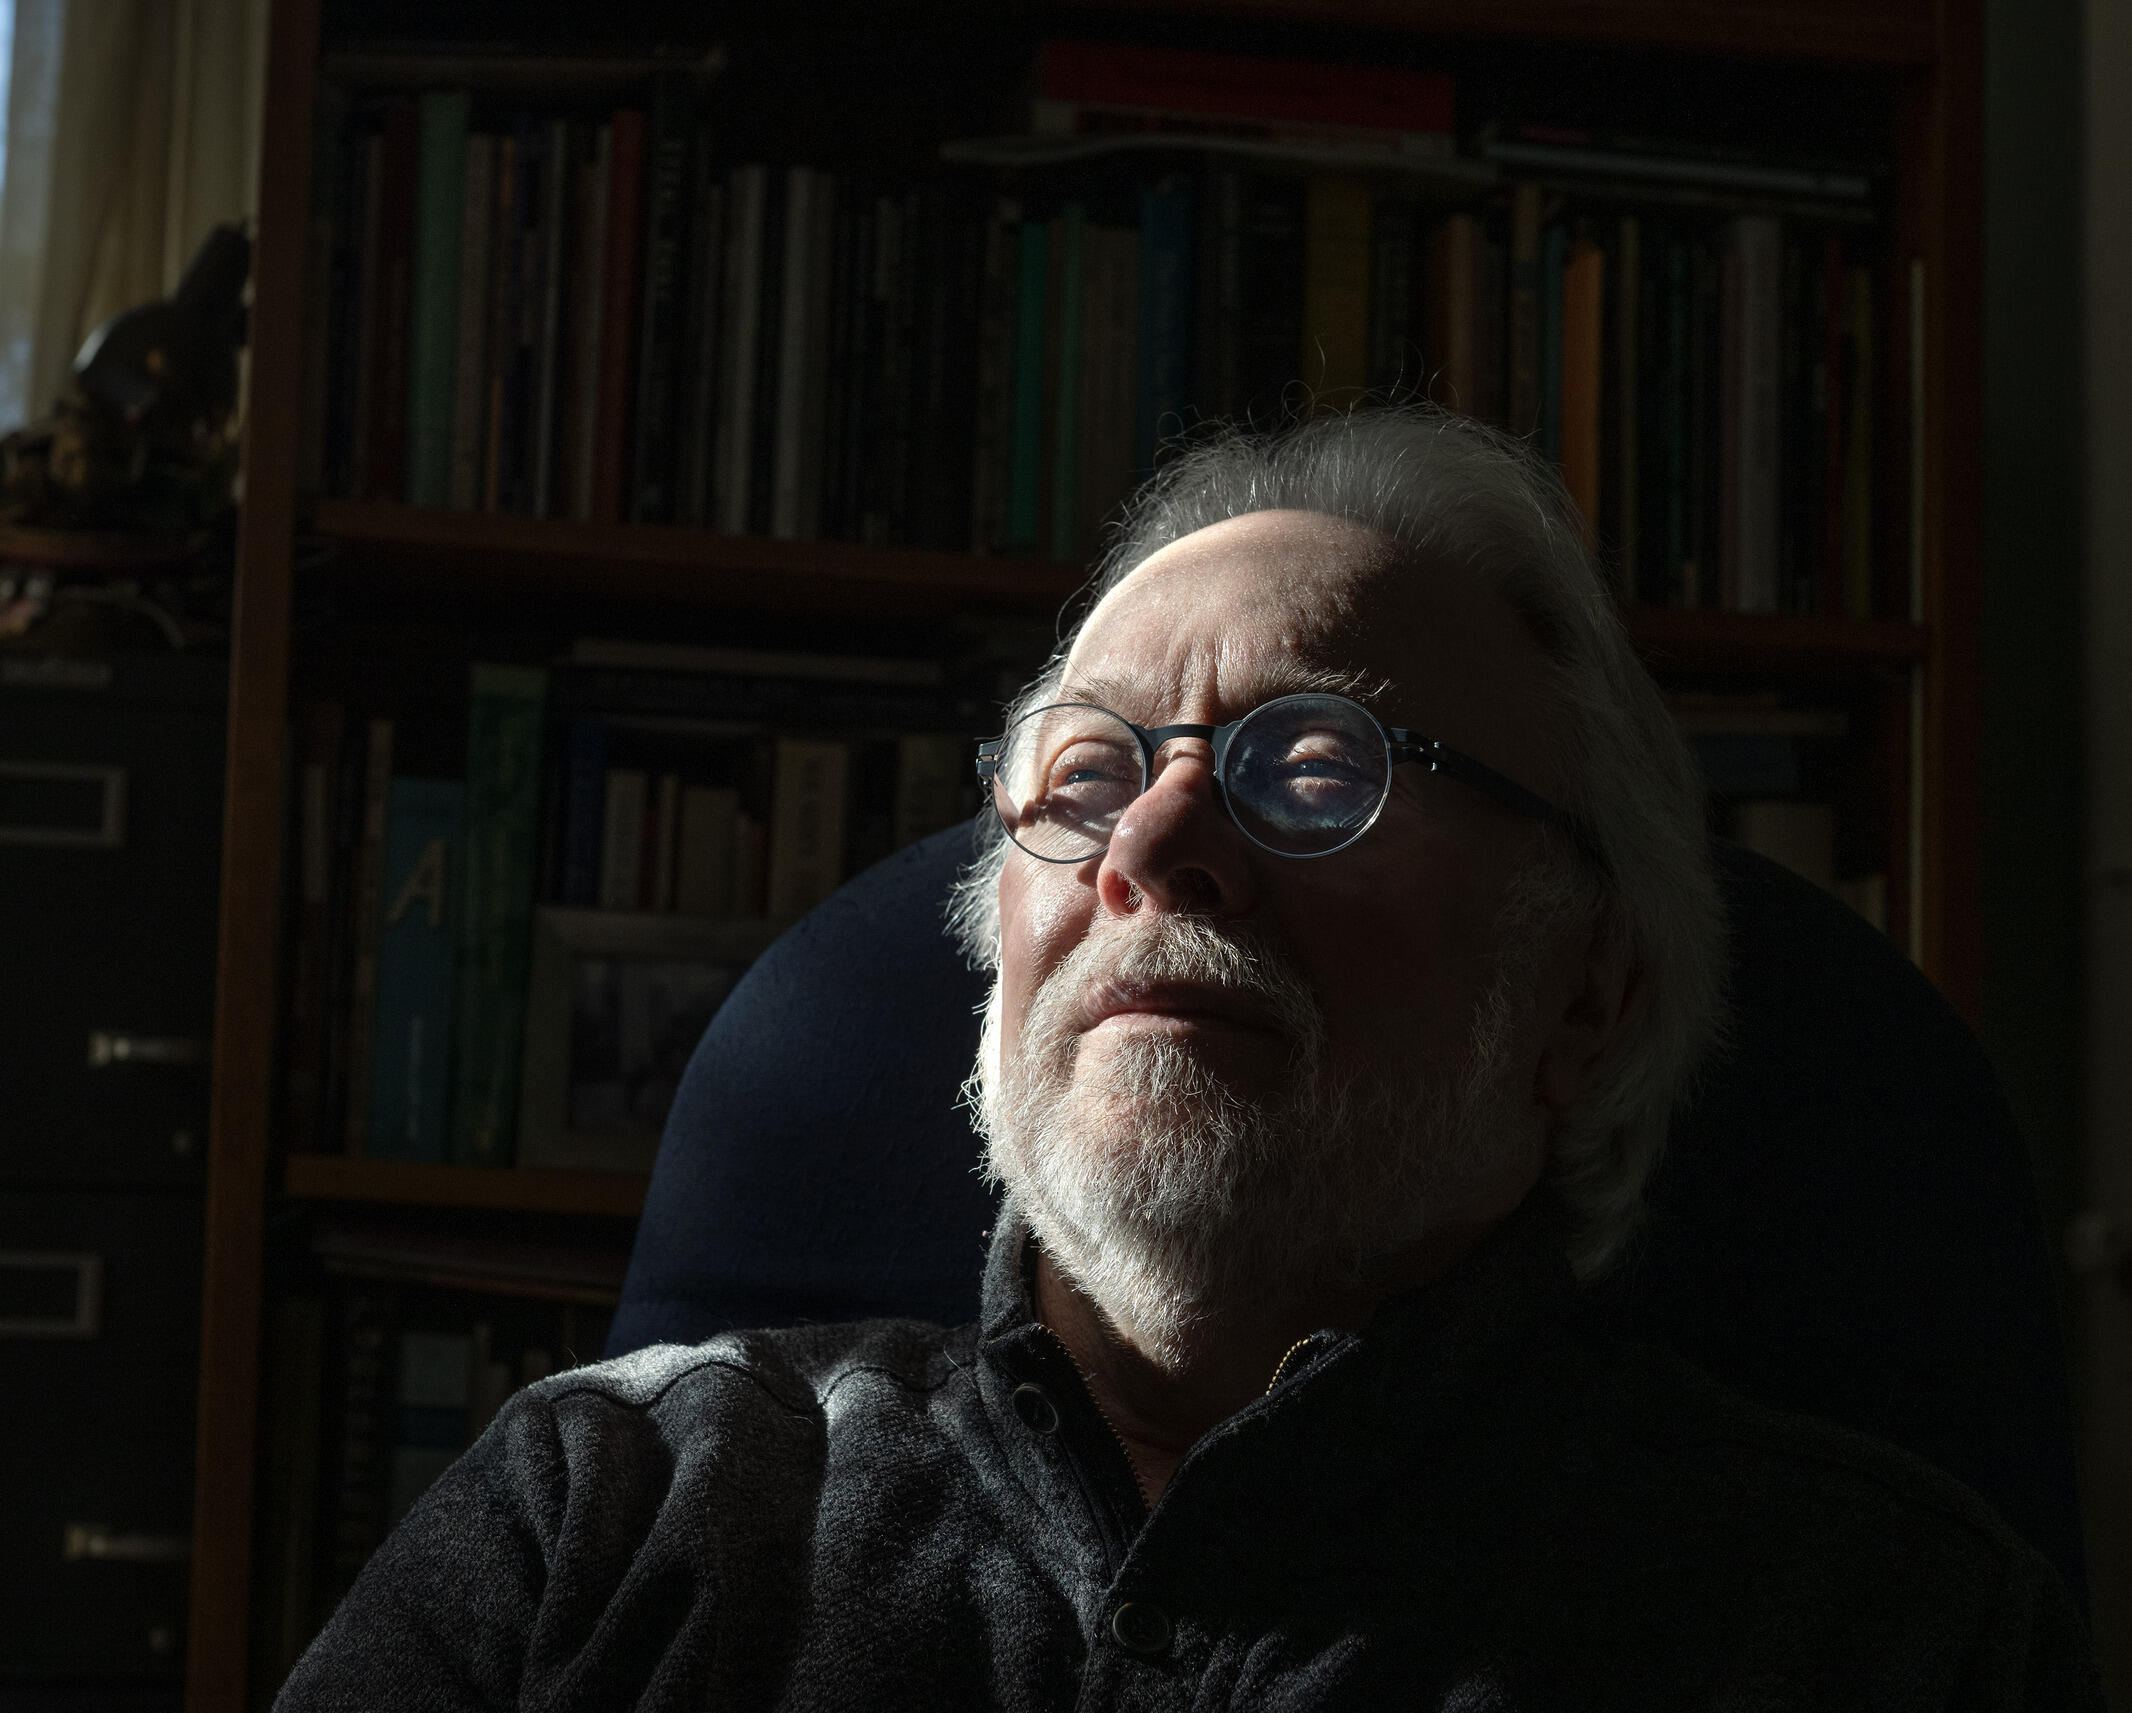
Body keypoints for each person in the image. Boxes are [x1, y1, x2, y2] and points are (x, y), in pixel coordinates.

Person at [278, 410, 2097, 1709]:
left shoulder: (1892, 1632)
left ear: (1588, 993)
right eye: (1084, 776)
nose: (1152, 842)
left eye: (1316, 770)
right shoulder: (599, 1504)